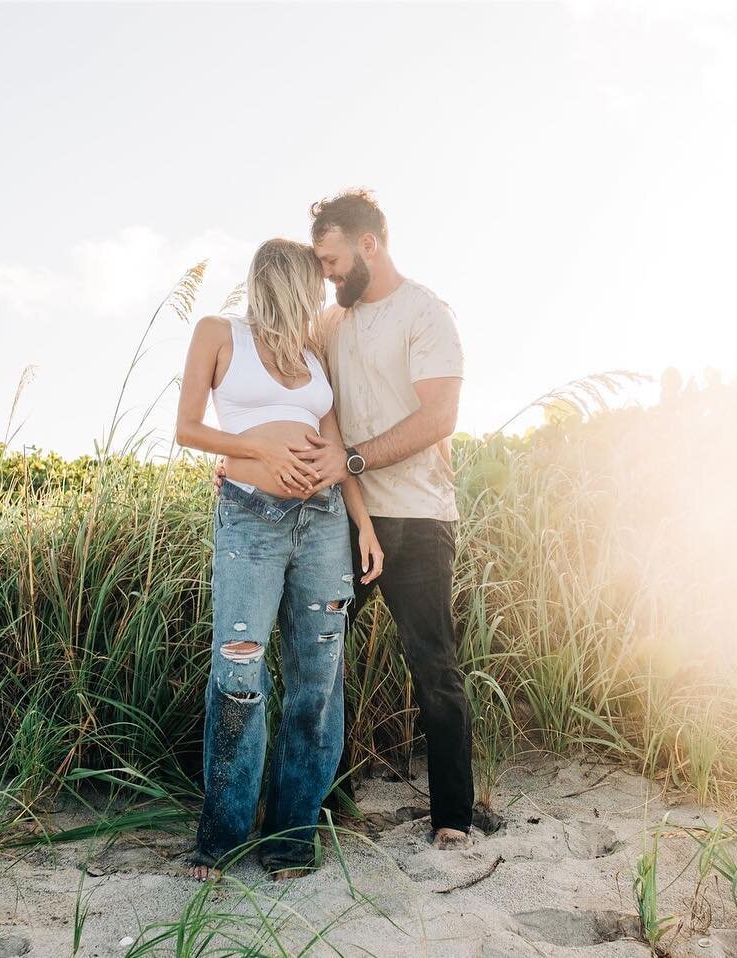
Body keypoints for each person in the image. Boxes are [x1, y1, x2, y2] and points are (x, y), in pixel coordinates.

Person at [218, 189, 474, 850]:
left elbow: (438, 417)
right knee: (317, 665)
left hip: (416, 516)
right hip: (336, 518)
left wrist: (353, 459)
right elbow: (293, 400)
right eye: (321, 265)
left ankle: (453, 816)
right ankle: (326, 801)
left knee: (433, 665)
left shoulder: (425, 313)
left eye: (333, 261)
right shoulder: (329, 325)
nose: (327, 275)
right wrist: (245, 458)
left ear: (370, 244)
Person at [174, 237, 385, 882]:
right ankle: (223, 836)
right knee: (240, 675)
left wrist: (365, 526)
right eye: (309, 286)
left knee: (318, 680)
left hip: (323, 525)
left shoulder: (312, 355)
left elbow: (334, 445)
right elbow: (187, 429)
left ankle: (293, 837)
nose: (317, 295)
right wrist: (260, 453)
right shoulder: (219, 333)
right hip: (250, 520)